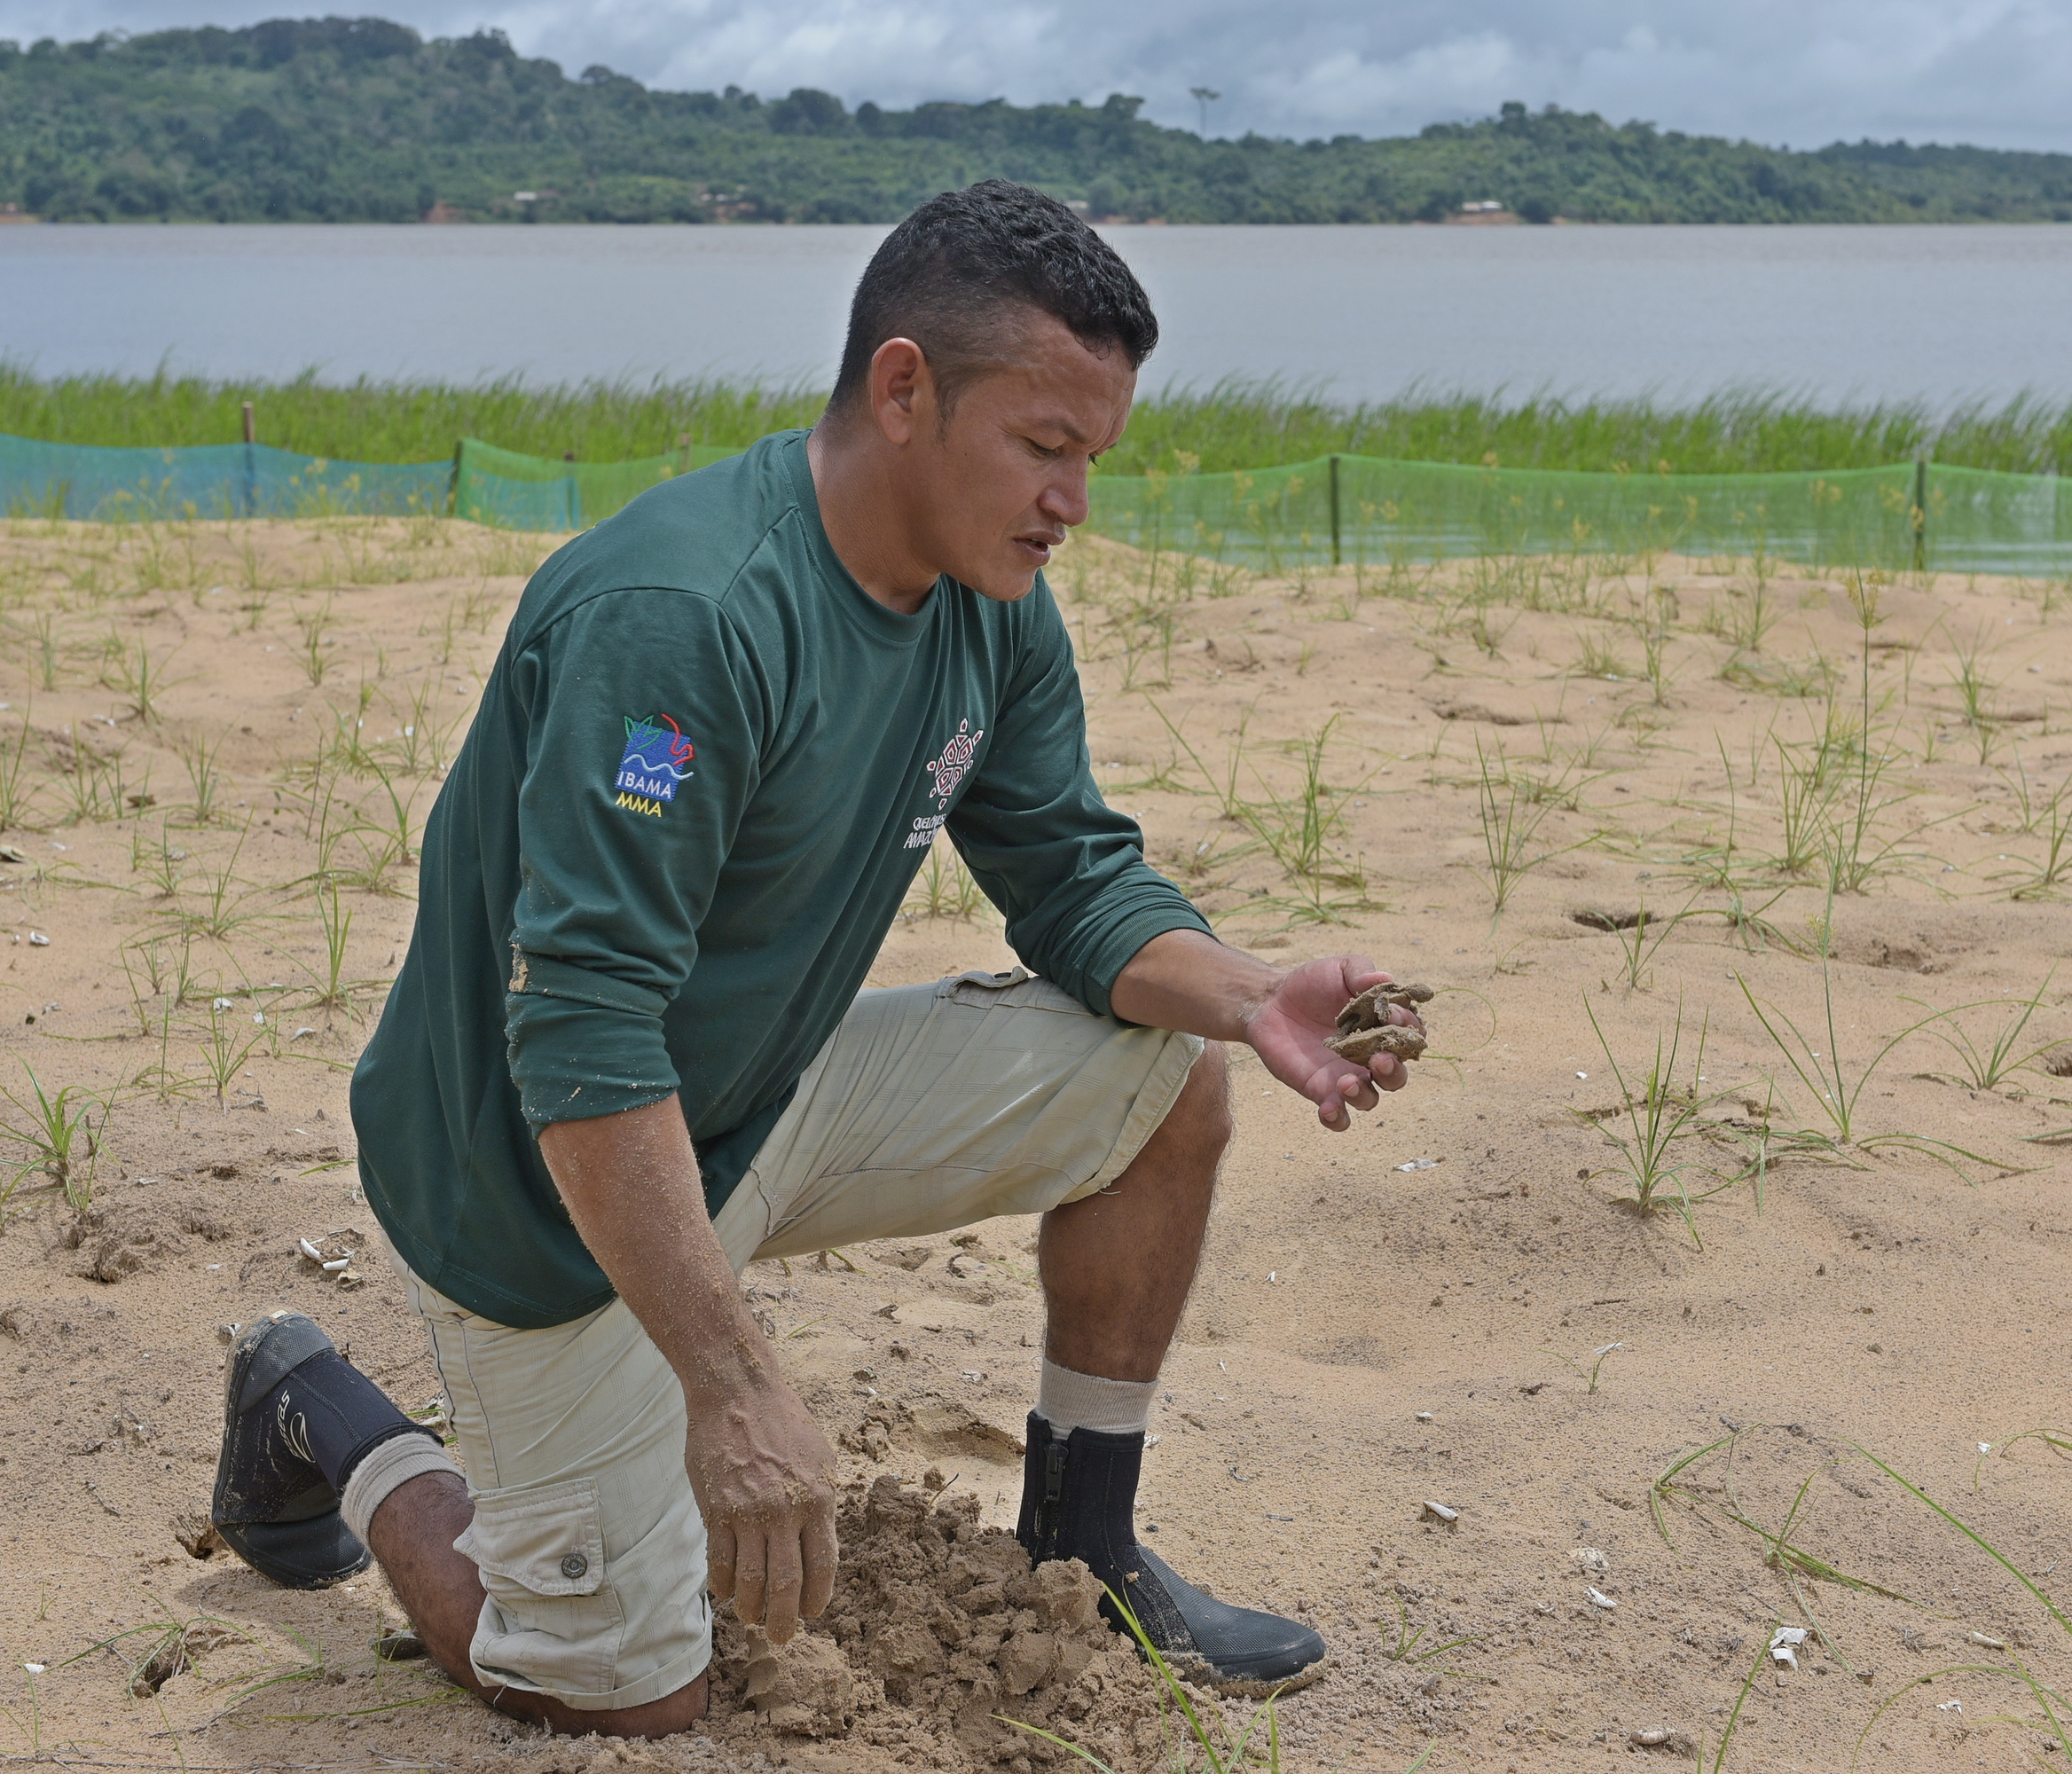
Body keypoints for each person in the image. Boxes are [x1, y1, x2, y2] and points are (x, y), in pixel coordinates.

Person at [206, 178, 1417, 1737]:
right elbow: (580, 1033)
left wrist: (1252, 997)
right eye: (1044, 447)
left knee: (1163, 1078)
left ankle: (1085, 1548)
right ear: (905, 389)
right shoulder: (683, 618)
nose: (1072, 502)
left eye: (1093, 459)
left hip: (758, 1094)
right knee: (614, 1698)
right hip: (537, 1181)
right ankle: (323, 1409)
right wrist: (733, 1385)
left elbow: (1072, 879)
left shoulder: (994, 602)